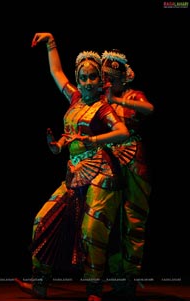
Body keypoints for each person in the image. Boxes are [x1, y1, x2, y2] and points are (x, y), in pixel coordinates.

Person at [15, 33, 130, 301]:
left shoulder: (103, 109)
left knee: (92, 232)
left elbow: (122, 131)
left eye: (93, 77)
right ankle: (40, 283)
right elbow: (56, 71)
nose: (88, 82)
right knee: (42, 221)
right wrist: (51, 42)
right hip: (74, 174)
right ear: (78, 80)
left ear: (101, 80)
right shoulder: (75, 99)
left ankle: (93, 290)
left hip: (101, 175)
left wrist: (92, 140)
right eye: (83, 77)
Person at [101, 49, 154, 299]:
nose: (110, 82)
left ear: (125, 78)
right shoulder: (100, 100)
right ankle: (116, 279)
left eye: (114, 78)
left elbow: (149, 109)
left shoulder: (133, 96)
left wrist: (119, 101)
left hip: (135, 164)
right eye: (107, 78)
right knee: (109, 220)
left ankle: (130, 278)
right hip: (108, 162)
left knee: (133, 220)